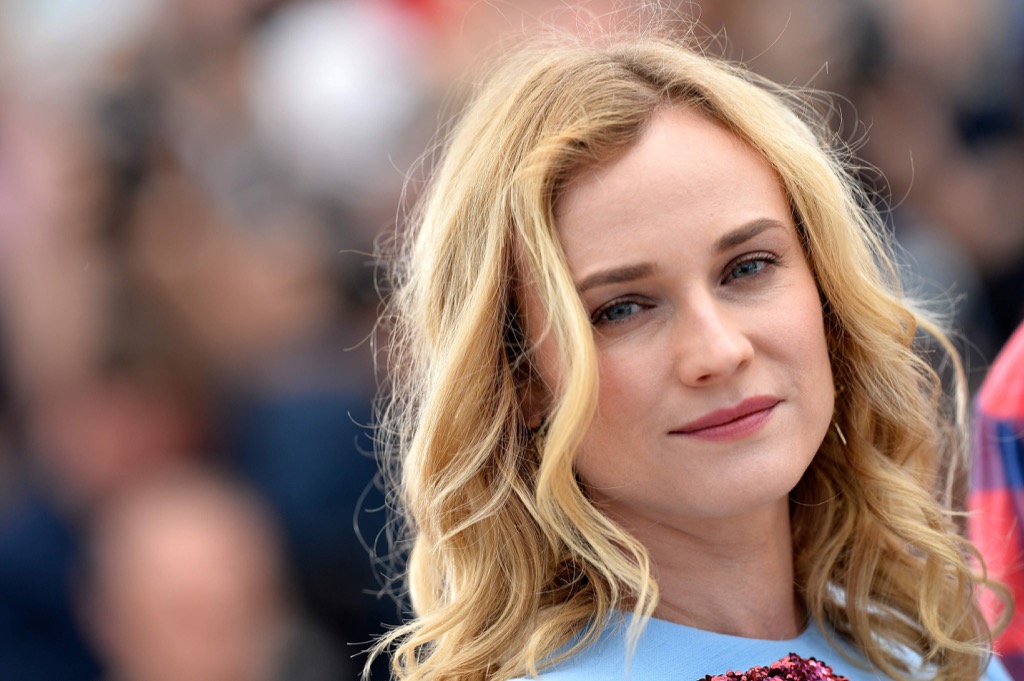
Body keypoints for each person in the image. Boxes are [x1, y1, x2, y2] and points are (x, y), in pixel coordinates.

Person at [368, 26, 1011, 681]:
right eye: (622, 308)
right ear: (521, 379)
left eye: (748, 267)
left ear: (827, 288)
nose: (720, 350)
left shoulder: (942, 657)